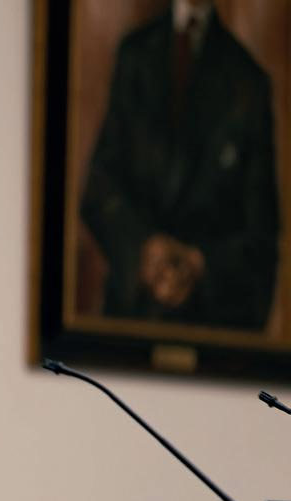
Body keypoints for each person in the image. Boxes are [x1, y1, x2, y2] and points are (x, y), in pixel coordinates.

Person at [80, 0, 279, 329]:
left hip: (213, 327)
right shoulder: (135, 56)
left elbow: (262, 236)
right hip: (131, 319)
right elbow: (99, 189)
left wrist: (197, 263)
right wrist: (146, 251)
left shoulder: (249, 81)